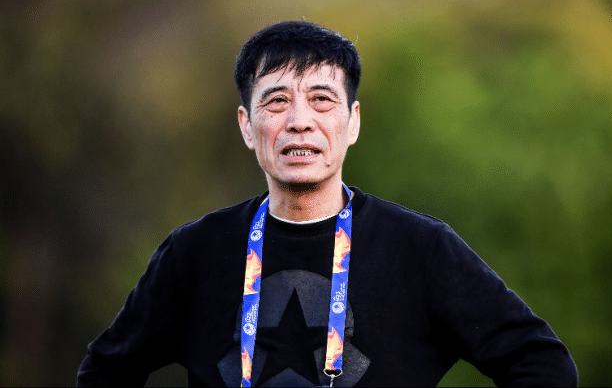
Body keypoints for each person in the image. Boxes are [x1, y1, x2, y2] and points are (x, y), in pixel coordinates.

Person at [77, 21, 578, 387]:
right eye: (276, 101)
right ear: (247, 126)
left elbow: (542, 364)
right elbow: (104, 372)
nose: (299, 121)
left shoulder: (420, 250)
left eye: (321, 99)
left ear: (352, 122)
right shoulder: (195, 253)